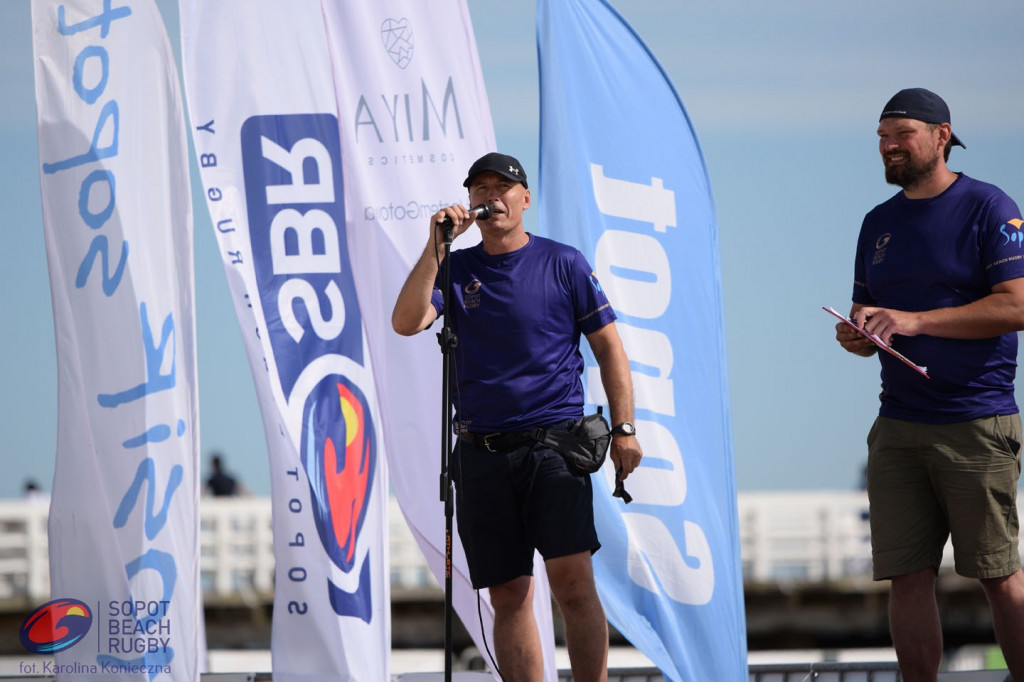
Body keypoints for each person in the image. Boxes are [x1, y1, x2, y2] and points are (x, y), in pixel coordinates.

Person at [392, 152, 643, 681]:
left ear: (524, 199)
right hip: (482, 453)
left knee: (572, 582)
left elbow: (610, 350)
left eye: (502, 188)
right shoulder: (456, 268)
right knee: (508, 594)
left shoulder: (564, 262)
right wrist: (435, 247)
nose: (491, 197)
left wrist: (624, 430)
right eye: (480, 189)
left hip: (554, 445)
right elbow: (407, 320)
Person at [835, 88, 1024, 681]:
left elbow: (1017, 305)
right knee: (906, 575)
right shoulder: (878, 223)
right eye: (882, 138)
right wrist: (859, 335)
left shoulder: (989, 207)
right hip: (898, 425)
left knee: (998, 573)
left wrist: (914, 321)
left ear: (942, 135)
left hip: (976, 420)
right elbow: (867, 310)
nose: (889, 147)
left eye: (902, 135)